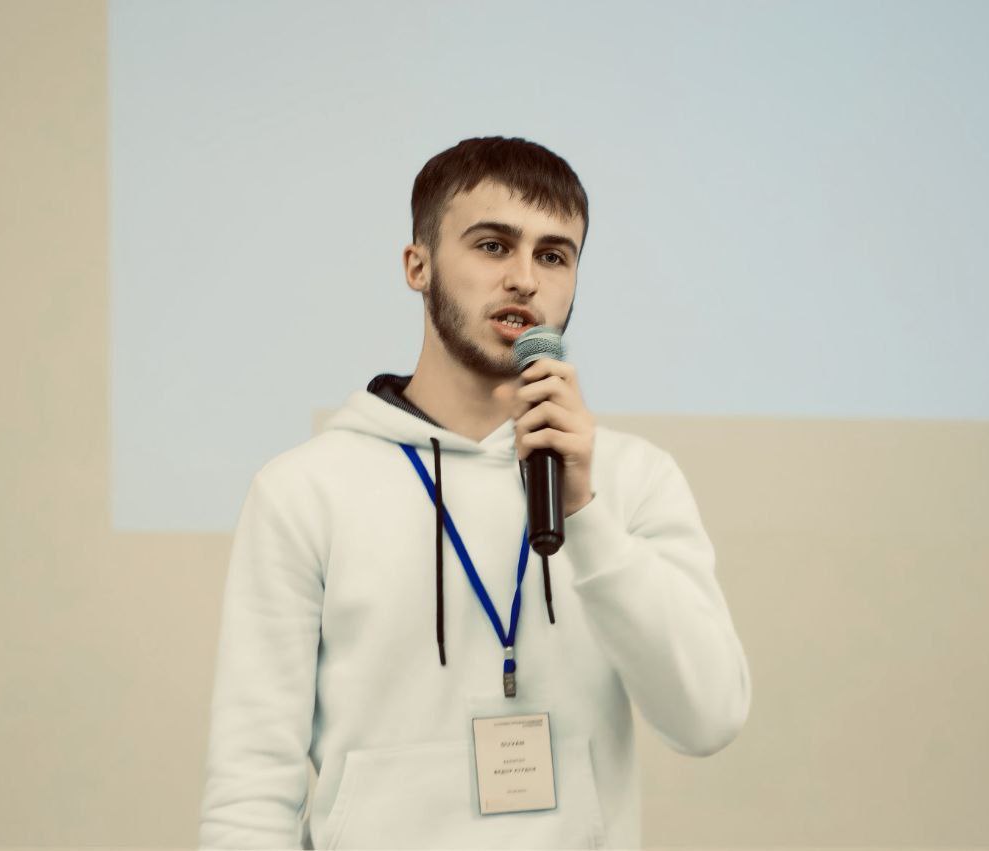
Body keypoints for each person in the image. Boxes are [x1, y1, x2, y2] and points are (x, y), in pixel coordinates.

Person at [199, 136, 752, 850]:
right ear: (418, 265)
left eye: (553, 256)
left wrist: (585, 514)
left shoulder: (633, 479)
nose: (524, 279)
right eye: (493, 246)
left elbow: (708, 718)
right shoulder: (303, 491)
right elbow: (250, 784)